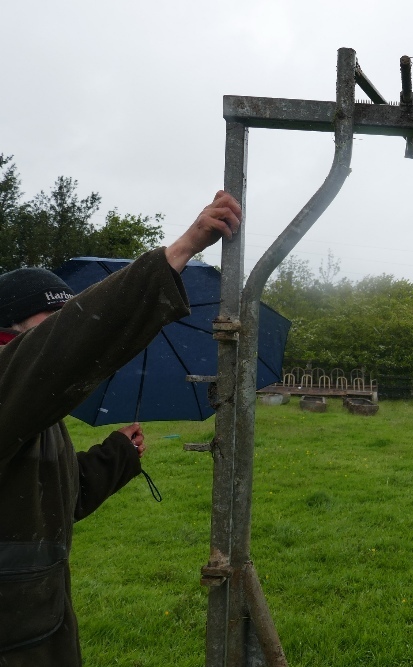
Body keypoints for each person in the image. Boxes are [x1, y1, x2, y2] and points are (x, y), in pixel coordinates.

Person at [0, 191, 242, 666]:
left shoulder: (31, 412)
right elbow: (69, 343)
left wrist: (117, 455)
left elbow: (52, 499)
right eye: (53, 320)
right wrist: (181, 251)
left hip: (34, 626)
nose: (66, 330)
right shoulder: (12, 386)